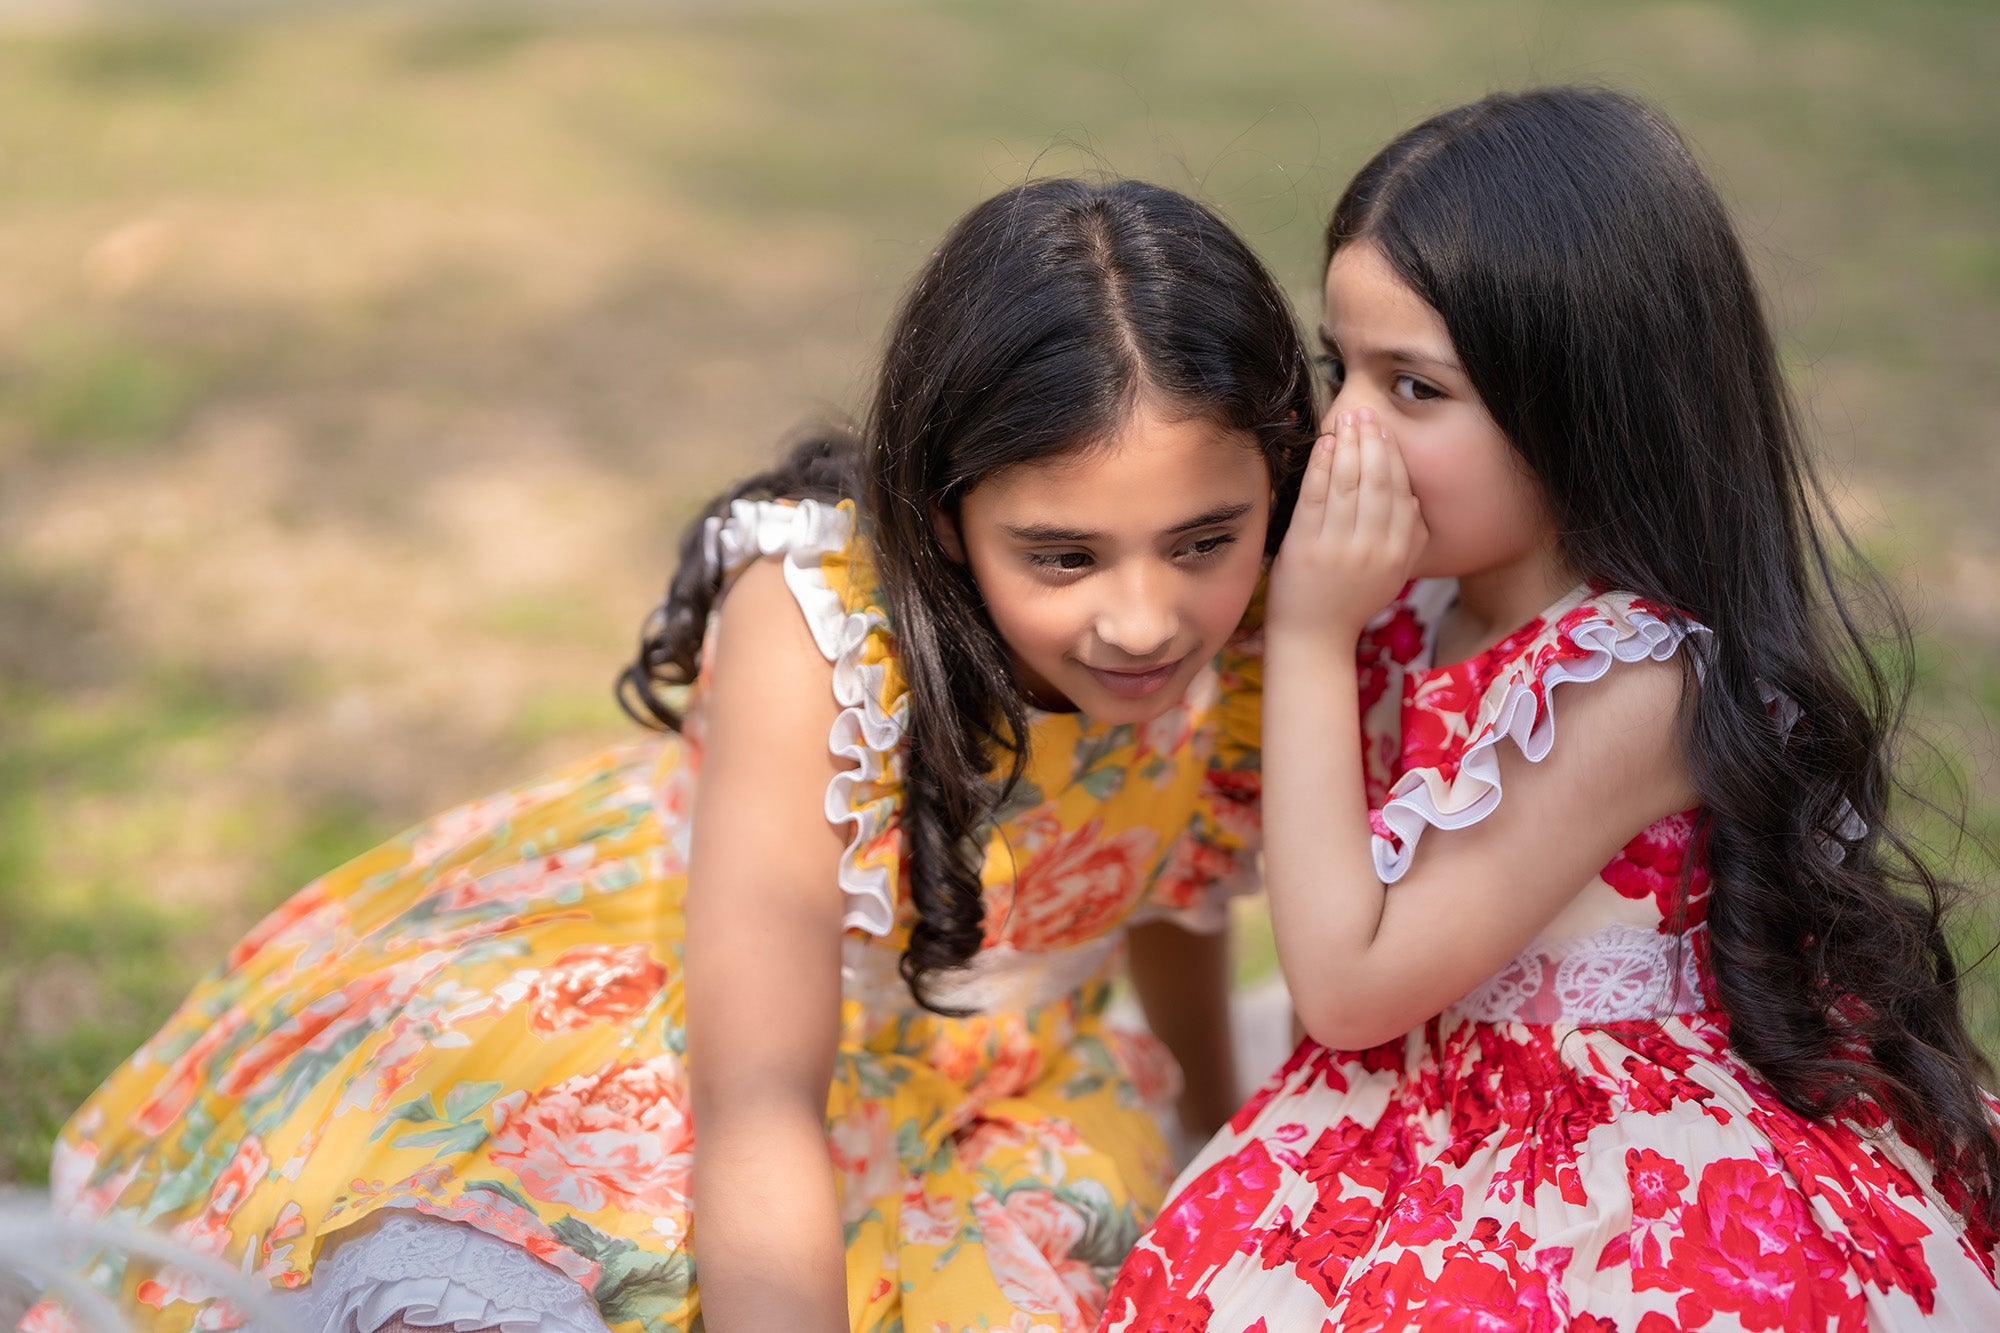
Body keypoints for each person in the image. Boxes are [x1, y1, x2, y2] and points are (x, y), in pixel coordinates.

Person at [27, 177, 1316, 1333]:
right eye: (1064, 554)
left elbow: (1170, 887)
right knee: (538, 1273)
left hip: (1007, 1093)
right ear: (943, 512)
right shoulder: (813, 627)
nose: (1148, 618)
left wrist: (1210, 1134)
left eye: (1203, 539)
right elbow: (757, 1104)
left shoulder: (1262, 616)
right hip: (704, 1037)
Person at [1101, 87, 2000, 1330]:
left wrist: (1309, 637)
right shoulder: (1411, 612)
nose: (1343, 430)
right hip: (1397, 1113)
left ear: (1582, 403)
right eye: (1337, 368)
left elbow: (1349, 992)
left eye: (1411, 388)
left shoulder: (1629, 676)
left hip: (1593, 1179)